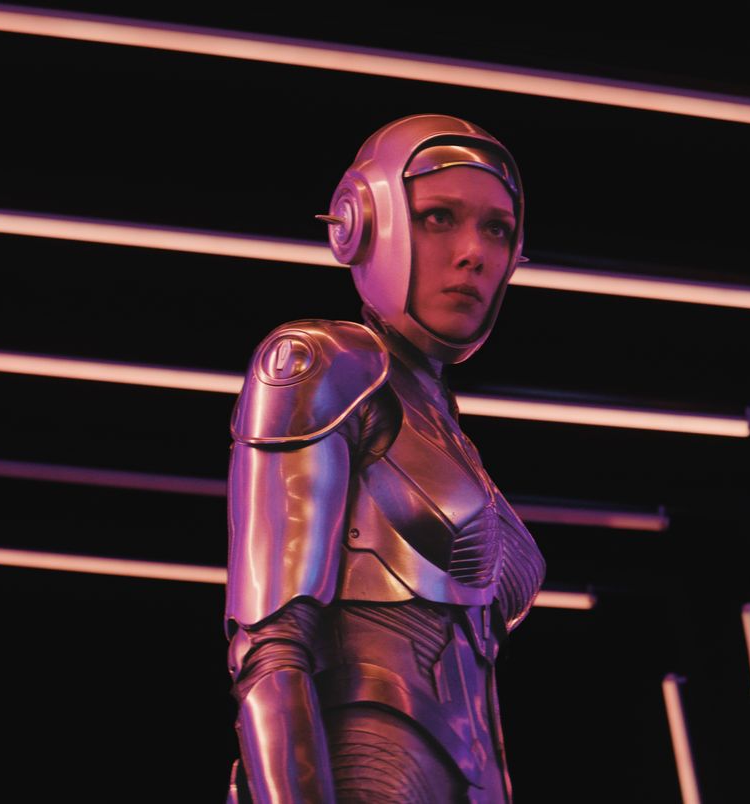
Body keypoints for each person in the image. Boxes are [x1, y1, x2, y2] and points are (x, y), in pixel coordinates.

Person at [223, 114, 545, 803]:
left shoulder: (450, 428)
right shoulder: (323, 362)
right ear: (362, 221)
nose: (473, 253)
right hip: (373, 771)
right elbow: (270, 649)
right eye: (438, 217)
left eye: (497, 229)